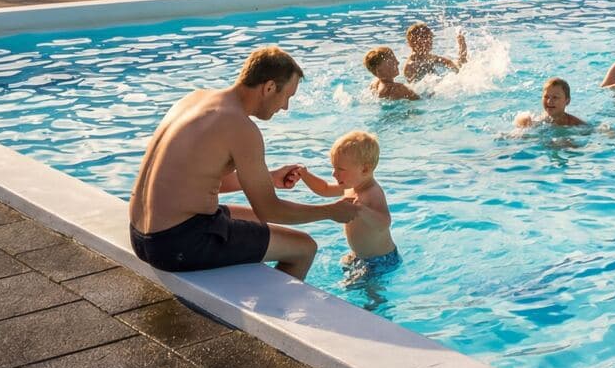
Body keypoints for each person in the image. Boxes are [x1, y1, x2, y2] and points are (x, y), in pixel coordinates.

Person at [127, 46, 357, 280]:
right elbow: (269, 210)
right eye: (287, 96)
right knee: (304, 247)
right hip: (176, 244)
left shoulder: (196, 99)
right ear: (268, 88)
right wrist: (330, 211)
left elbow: (199, 176)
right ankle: (273, 313)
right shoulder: (241, 127)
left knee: (253, 222)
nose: (285, 107)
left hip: (141, 234)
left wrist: (269, 177)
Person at [296, 130, 395, 259]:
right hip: (359, 256)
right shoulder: (350, 186)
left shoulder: (372, 193)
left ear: (364, 169)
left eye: (340, 169)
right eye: (334, 167)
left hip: (380, 259)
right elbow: (324, 189)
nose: (334, 174)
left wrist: (361, 209)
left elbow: (384, 223)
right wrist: (305, 175)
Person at [401, 22, 466, 81]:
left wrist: (462, 51)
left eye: (430, 38)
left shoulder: (429, 57)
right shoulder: (410, 66)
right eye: (426, 39)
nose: (430, 42)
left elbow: (454, 67)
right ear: (413, 42)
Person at [516, 77, 588, 128]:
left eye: (555, 97)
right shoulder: (534, 121)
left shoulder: (576, 124)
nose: (549, 101)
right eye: (546, 97)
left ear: (567, 101)